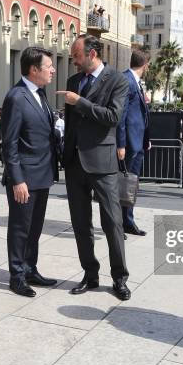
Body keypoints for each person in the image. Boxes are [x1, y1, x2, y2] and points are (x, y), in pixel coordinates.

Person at [56, 34, 130, 301]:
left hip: (103, 163)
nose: (74, 61)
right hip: (75, 164)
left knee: (112, 223)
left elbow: (113, 117)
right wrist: (64, 158)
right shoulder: (73, 81)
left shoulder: (118, 80)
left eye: (76, 56)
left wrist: (82, 103)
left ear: (92, 54)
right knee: (80, 224)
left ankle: (119, 278)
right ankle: (90, 274)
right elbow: (72, 125)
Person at [1, 46, 60, 297]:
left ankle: (30, 268)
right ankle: (17, 275)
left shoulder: (40, 94)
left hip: (42, 174)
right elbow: (9, 143)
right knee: (20, 228)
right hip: (24, 178)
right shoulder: (17, 97)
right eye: (49, 67)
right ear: (34, 69)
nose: (53, 70)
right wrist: (17, 180)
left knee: (35, 228)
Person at [117, 49, 151, 237]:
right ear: (145, 65)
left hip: (137, 143)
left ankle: (128, 222)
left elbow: (141, 115)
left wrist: (146, 140)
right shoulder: (126, 80)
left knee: (131, 185)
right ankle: (118, 224)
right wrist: (121, 144)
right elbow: (121, 116)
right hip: (128, 144)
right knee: (122, 185)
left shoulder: (135, 82)